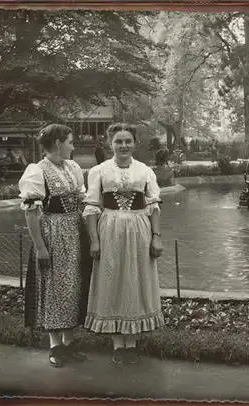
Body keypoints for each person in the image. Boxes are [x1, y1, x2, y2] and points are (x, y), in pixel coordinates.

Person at [83, 123, 164, 366]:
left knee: (136, 279)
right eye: (118, 141)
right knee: (113, 279)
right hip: (109, 229)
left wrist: (156, 236)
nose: (123, 145)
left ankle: (133, 341)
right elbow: (91, 207)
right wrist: (94, 240)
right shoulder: (99, 171)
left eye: (128, 141)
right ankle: (118, 344)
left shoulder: (145, 171)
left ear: (134, 143)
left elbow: (153, 205)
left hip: (140, 229)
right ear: (110, 144)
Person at [18, 124, 92, 368]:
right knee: (54, 286)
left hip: (76, 231)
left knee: (74, 284)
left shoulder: (72, 167)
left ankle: (69, 343)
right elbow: (31, 213)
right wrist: (40, 247)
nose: (73, 146)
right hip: (53, 232)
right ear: (58, 143)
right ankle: (55, 345)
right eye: (70, 142)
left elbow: (82, 199)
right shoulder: (37, 171)